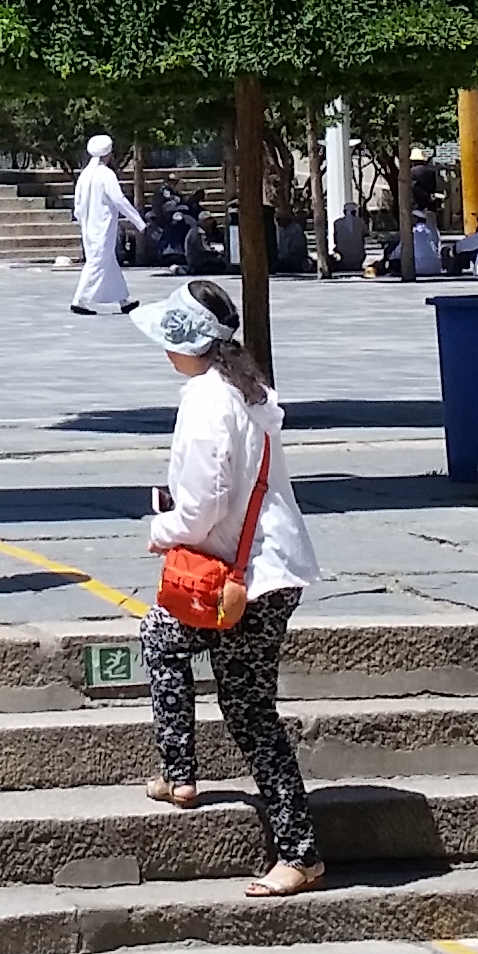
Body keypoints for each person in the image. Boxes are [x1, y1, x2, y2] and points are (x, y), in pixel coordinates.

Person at [137, 278, 322, 898]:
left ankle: (295, 848)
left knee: (245, 710)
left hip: (240, 579)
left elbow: (201, 506)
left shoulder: (204, 402)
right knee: (239, 699)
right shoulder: (251, 392)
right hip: (273, 569)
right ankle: (180, 771)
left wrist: (160, 530)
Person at [70, 136, 140, 316]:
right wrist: (139, 222)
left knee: (108, 262)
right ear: (108, 155)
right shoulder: (106, 175)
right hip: (102, 226)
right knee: (97, 262)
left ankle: (124, 300)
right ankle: (80, 301)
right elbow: (119, 200)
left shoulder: (85, 175)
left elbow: (77, 204)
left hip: (89, 225)